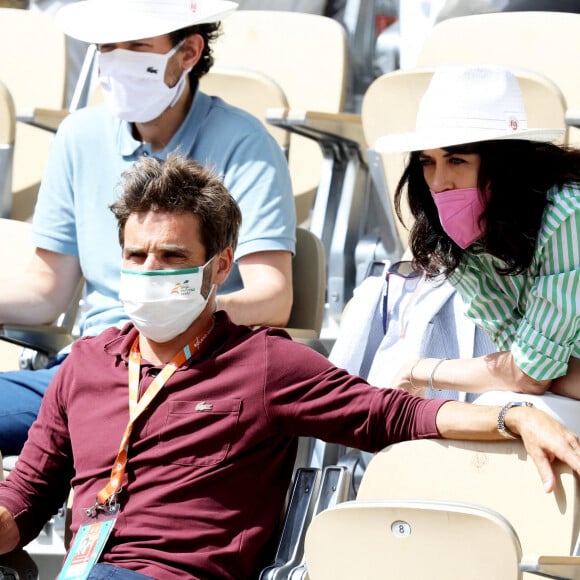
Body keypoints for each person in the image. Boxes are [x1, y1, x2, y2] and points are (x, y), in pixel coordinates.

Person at [1, 153, 580, 580]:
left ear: (220, 266)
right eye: (137, 255)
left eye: (172, 256)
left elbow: (391, 414)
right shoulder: (87, 362)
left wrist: (513, 418)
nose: (151, 270)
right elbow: (25, 500)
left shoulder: (262, 364)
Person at [0, 0, 296, 455]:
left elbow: (273, 296)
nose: (118, 60)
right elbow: (48, 289)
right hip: (88, 368)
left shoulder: (246, 144)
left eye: (137, 46)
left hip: (196, 374)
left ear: (188, 52)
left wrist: (174, 318)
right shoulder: (78, 136)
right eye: (107, 47)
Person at [375, 65, 580, 425]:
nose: (439, 181)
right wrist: (539, 370)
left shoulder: (567, 214)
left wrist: (419, 369)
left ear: (503, 165)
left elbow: (528, 375)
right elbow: (521, 365)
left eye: (457, 160)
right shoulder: (456, 238)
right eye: (427, 162)